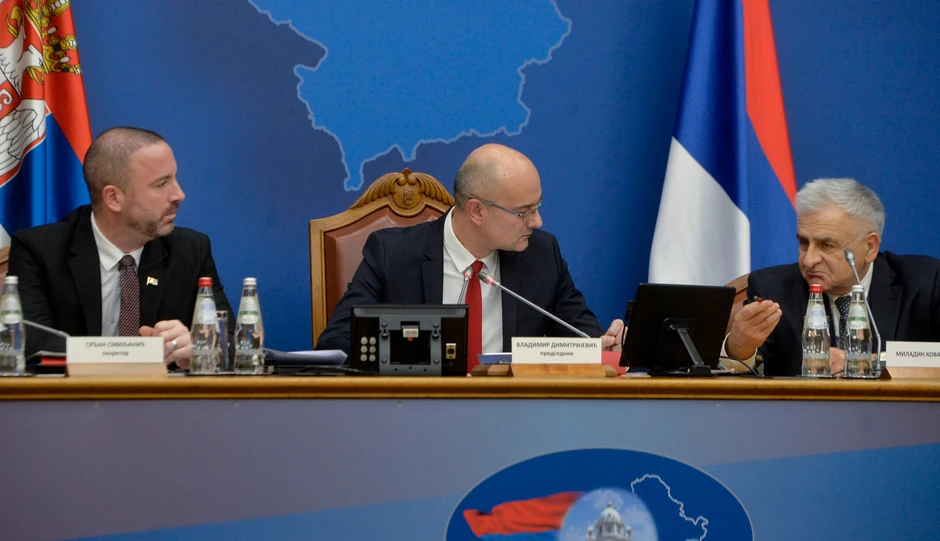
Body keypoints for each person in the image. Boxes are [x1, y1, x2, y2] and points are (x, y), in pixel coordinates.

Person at [315, 144, 624, 361]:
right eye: (524, 212)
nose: (537, 221)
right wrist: (416, 353)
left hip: (512, 419)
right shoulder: (392, 254)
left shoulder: (541, 255)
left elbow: (583, 338)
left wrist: (606, 347)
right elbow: (336, 343)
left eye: (538, 206)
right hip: (416, 415)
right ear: (477, 211)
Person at [8, 126, 234, 369]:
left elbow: (231, 343)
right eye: (162, 184)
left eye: (175, 178)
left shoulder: (191, 250)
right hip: (72, 392)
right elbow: (30, 344)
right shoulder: (39, 250)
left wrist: (200, 348)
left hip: (161, 393)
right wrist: (137, 353)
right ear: (113, 198)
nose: (179, 195)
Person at [724, 178, 940, 376]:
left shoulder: (926, 283)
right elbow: (743, 384)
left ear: (870, 247)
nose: (809, 261)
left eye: (827, 245)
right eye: (804, 243)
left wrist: (873, 362)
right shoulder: (772, 289)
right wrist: (739, 349)